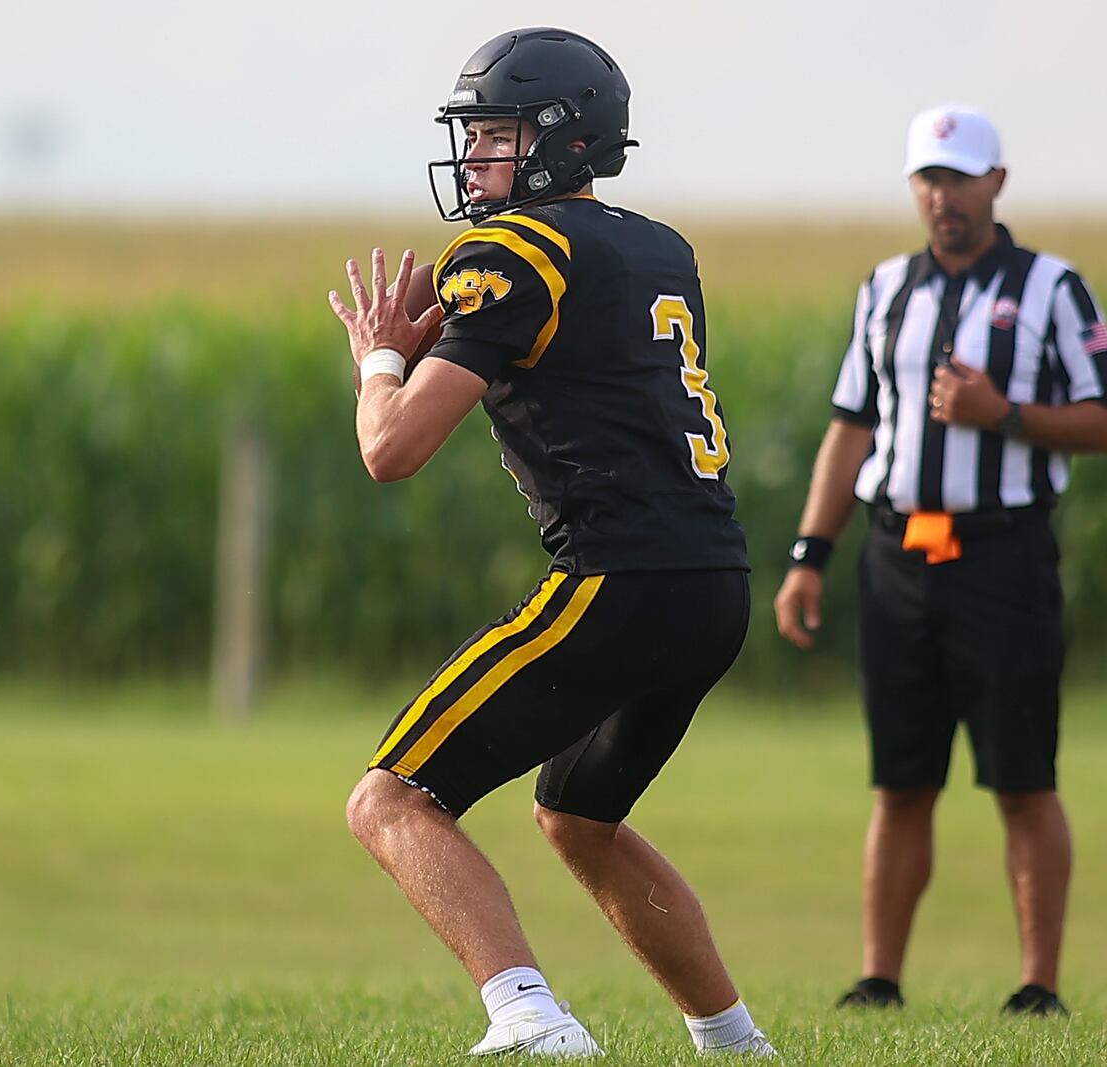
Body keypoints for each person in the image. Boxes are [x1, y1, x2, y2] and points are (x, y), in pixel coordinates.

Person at [328, 27, 774, 1058]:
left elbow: (391, 449)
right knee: (577, 817)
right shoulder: (655, 244)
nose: (476, 155)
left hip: (618, 576)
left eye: (494, 132)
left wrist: (380, 360)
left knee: (390, 797)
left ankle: (529, 1017)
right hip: (712, 580)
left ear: (560, 142)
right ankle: (734, 1042)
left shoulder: (511, 251)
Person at [773, 104, 1107, 1017]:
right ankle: (879, 977)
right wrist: (810, 553)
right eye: (928, 180)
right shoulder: (886, 287)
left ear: (997, 182)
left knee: (1022, 777)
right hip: (897, 556)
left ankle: (1038, 986)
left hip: (1002, 557)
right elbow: (851, 426)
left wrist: (1003, 414)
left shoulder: (1053, 288)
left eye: (961, 178)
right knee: (899, 780)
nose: (944, 197)